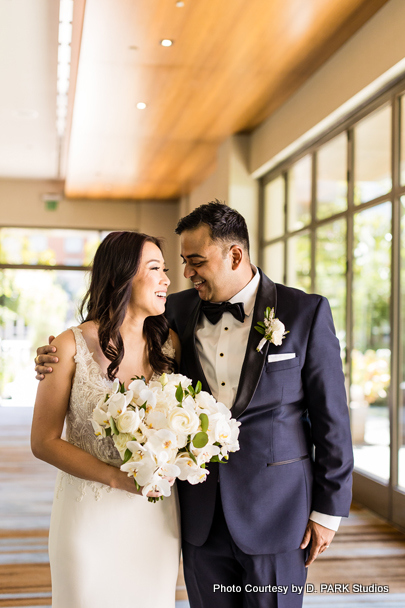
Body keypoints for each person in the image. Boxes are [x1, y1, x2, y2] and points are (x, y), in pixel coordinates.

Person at [36, 202, 354, 608]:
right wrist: (53, 358)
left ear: (234, 255)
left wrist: (328, 511)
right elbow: (113, 333)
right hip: (196, 514)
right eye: (179, 263)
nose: (185, 273)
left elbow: (332, 419)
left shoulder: (305, 312)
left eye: (195, 261)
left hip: (277, 511)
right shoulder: (174, 314)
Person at [31, 231, 181, 608]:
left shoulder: (170, 344)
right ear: (118, 277)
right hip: (88, 517)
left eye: (165, 269)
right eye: (154, 269)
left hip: (155, 518)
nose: (166, 279)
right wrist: (116, 477)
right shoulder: (67, 347)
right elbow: (43, 441)